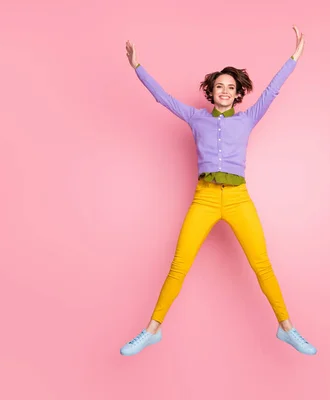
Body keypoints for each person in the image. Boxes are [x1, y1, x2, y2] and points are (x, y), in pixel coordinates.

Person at [120, 26, 316, 356]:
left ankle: (287, 328)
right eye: (219, 86)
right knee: (179, 265)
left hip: (239, 199)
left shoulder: (249, 118)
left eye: (231, 87)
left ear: (239, 93)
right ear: (210, 91)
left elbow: (272, 90)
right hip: (205, 198)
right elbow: (162, 98)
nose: (225, 90)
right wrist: (138, 67)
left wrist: (294, 58)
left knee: (262, 265)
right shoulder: (196, 117)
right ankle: (152, 330)